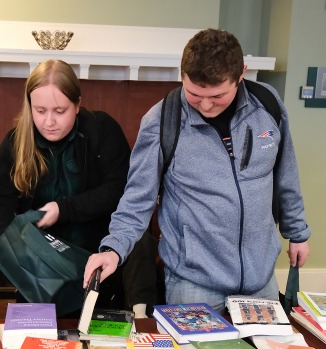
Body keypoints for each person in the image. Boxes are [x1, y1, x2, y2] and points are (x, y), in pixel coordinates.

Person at [84, 28, 311, 314]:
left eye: (217, 96)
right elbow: (137, 198)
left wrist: (297, 232)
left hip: (260, 278)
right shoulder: (161, 121)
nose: (205, 105)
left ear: (241, 73)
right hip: (193, 281)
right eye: (193, 94)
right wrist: (114, 248)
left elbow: (285, 173)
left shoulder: (267, 105)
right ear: (182, 75)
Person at [0, 59, 131, 312]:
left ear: (77, 105)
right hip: (38, 276)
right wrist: (23, 254)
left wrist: (64, 209)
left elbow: (119, 191)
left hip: (96, 268)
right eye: (39, 111)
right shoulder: (15, 142)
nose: (49, 121)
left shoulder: (102, 130)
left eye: (60, 111)